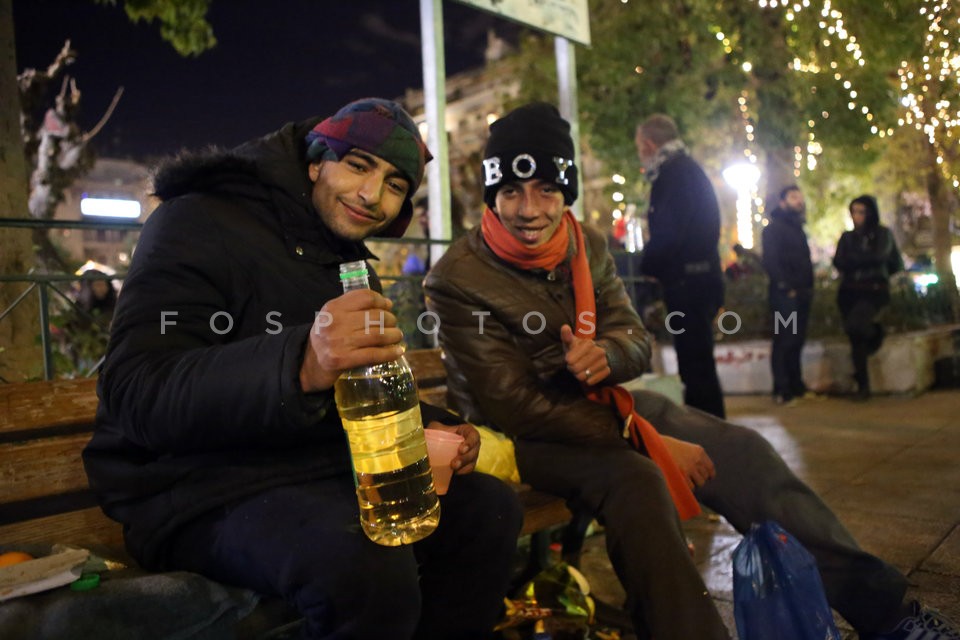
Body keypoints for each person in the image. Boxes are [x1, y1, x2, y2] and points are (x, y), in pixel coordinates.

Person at [424, 102, 959, 640]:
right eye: (511, 192)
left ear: (565, 192)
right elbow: (513, 406)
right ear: (492, 196)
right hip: (520, 437)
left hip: (600, 407)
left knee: (743, 452)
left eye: (546, 189)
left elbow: (633, 337)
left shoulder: (583, 243)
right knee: (638, 477)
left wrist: (607, 356)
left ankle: (889, 613)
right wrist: (643, 437)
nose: (528, 209)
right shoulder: (458, 278)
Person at [82, 98, 523, 640]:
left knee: (488, 511)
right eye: (358, 165)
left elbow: (361, 383)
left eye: (395, 184)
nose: (371, 195)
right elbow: (136, 390)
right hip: (194, 488)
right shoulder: (195, 220)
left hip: (310, 470)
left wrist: (433, 423)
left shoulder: (350, 261)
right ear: (316, 162)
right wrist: (302, 362)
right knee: (367, 567)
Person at [635, 114, 726, 418]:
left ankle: (709, 432)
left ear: (649, 144)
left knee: (695, 366)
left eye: (639, 148)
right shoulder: (688, 170)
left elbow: (669, 233)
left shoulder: (672, 175)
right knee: (699, 363)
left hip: (688, 283)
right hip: (700, 278)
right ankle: (712, 427)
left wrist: (647, 264)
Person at [833, 195, 904, 400]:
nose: (857, 216)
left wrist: (856, 260)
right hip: (849, 292)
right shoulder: (847, 237)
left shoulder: (882, 234)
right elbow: (839, 261)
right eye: (854, 211)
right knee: (855, 338)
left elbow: (880, 257)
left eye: (861, 211)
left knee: (857, 327)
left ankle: (877, 332)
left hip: (873, 290)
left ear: (870, 212)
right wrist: (863, 261)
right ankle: (863, 386)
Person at [761, 185, 815, 405]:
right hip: (785, 295)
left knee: (797, 340)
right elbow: (771, 261)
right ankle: (782, 389)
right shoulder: (773, 230)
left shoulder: (798, 228)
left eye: (800, 197)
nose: (799, 201)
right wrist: (785, 286)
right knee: (785, 338)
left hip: (802, 292)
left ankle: (796, 385)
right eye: (793, 197)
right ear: (782, 202)